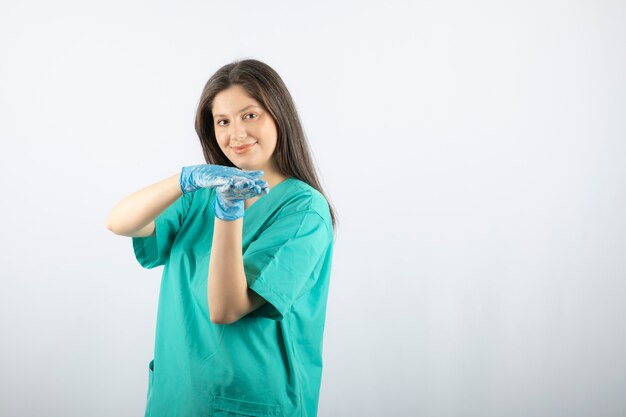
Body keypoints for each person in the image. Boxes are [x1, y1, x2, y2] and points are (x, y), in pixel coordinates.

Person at [106, 58, 337, 417]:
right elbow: (120, 221)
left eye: (250, 115)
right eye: (223, 121)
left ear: (279, 115)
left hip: (250, 400)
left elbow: (225, 307)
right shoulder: (200, 195)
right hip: (178, 397)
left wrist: (230, 210)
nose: (237, 134)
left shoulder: (304, 212)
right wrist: (185, 179)